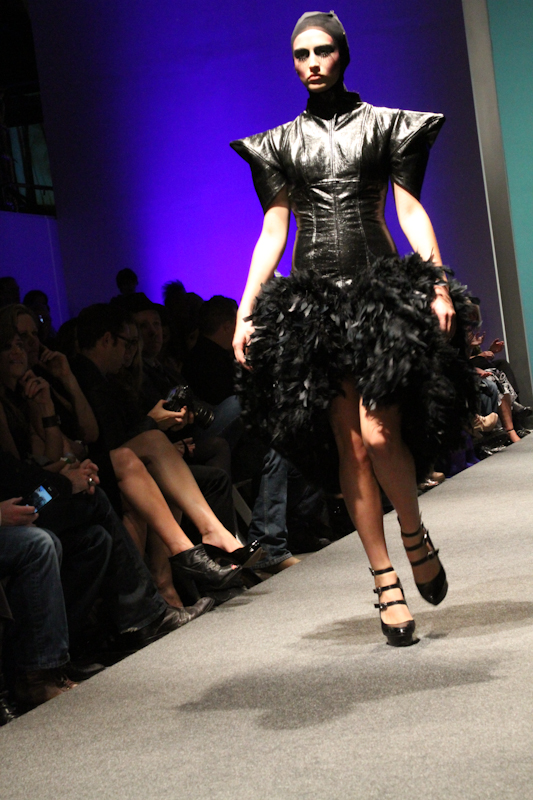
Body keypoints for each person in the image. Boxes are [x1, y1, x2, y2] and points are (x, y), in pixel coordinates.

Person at [231, 11, 476, 646]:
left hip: (377, 294)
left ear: (343, 54)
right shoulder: (278, 143)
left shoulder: (387, 126)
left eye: (322, 51)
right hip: (314, 306)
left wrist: (437, 281)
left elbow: (409, 208)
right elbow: (274, 229)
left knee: (379, 430)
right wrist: (246, 307)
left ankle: (414, 533)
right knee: (353, 447)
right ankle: (384, 578)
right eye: (300, 54)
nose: (311, 63)